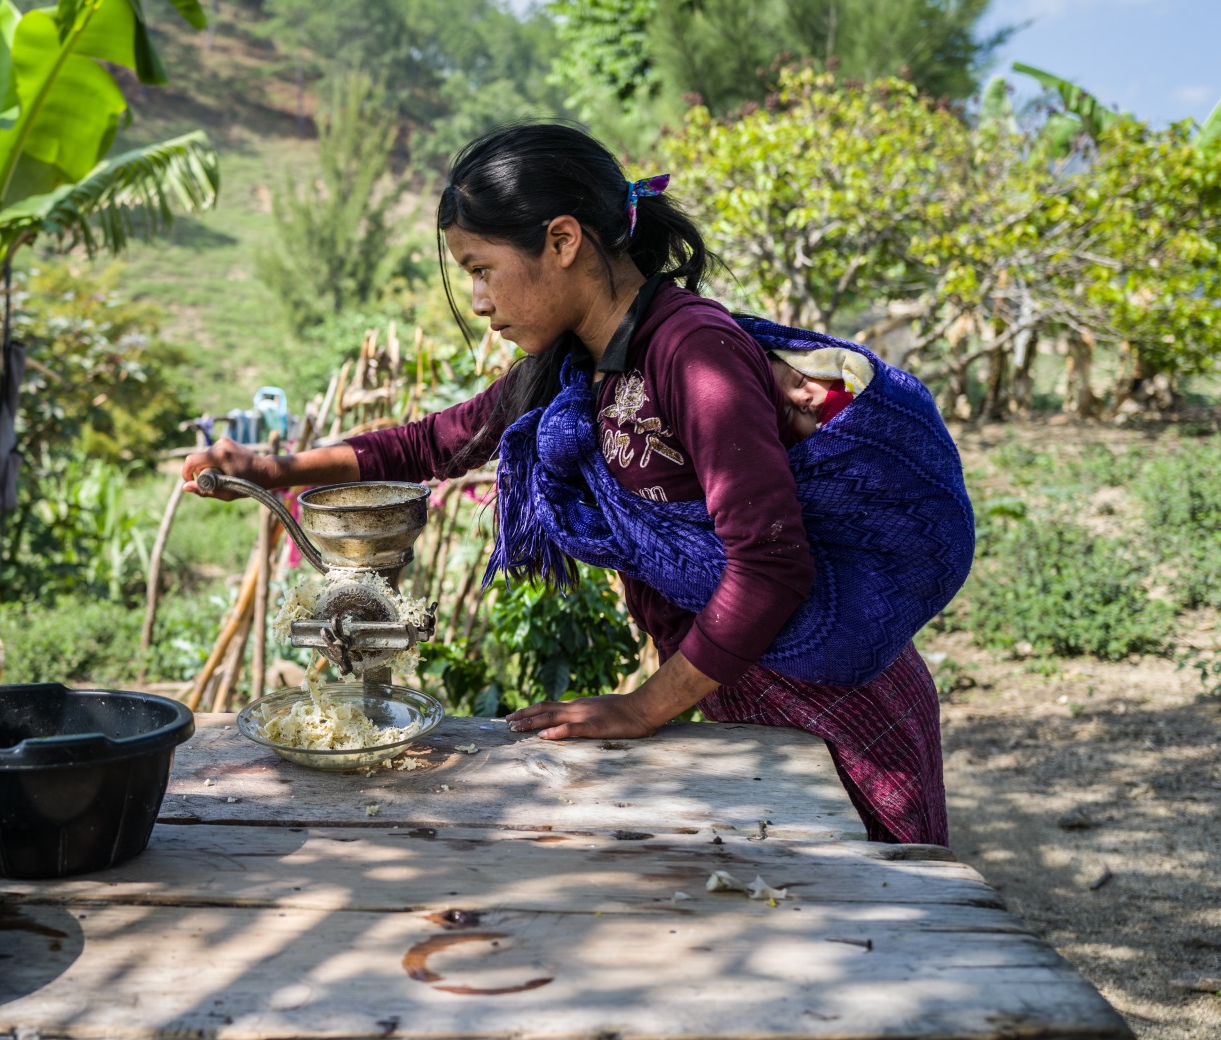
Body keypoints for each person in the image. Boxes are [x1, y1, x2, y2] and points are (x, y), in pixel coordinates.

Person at [184, 122, 956, 845]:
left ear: (561, 240)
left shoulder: (692, 353)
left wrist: (643, 707)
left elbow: (770, 563)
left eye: (482, 271)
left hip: (838, 704)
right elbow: (436, 440)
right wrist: (271, 471)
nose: (479, 301)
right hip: (737, 691)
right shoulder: (580, 365)